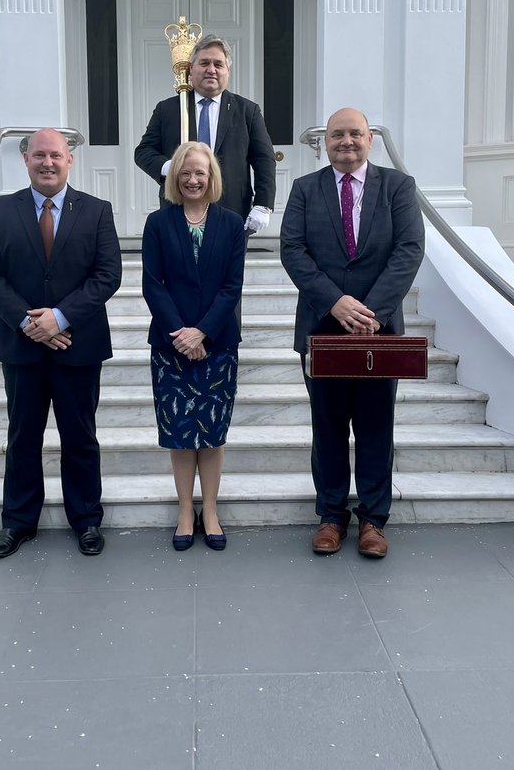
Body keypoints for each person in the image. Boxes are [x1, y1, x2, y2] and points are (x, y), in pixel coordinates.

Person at [279, 108, 425, 559]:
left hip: (378, 335)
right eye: (338, 134)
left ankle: (374, 521)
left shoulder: (398, 187)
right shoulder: (305, 189)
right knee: (327, 428)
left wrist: (372, 312)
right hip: (322, 331)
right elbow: (293, 249)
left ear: (370, 140)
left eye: (355, 134)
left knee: (376, 427)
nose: (346, 141)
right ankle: (330, 516)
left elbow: (409, 249)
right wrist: (334, 302)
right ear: (326, 141)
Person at [0, 128, 122, 559]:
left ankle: (87, 521)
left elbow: (107, 275)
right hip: (19, 345)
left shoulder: (96, 210)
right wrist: (27, 321)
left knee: (80, 436)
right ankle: (18, 523)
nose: (48, 163)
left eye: (55, 155)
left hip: (79, 343)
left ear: (69, 160)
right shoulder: (1, 210)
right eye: (39, 155)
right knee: (23, 436)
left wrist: (58, 318)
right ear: (26, 159)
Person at [142, 140, 246, 551]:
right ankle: (186, 510)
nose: (192, 179)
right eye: (185, 172)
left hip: (217, 344)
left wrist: (201, 332)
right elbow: (153, 284)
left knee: (213, 433)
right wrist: (181, 334)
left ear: (212, 176)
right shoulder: (157, 223)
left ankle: (211, 509)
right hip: (170, 346)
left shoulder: (232, 224)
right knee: (180, 433)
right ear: (174, 178)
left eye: (200, 171)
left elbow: (231, 287)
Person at [134, 34, 278, 235]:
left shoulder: (247, 111)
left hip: (232, 210)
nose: (211, 69)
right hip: (178, 208)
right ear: (191, 69)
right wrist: (171, 167)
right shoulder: (168, 110)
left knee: (226, 267)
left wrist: (263, 204)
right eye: (204, 63)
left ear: (228, 70)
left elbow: (264, 159)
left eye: (218, 64)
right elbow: (143, 152)